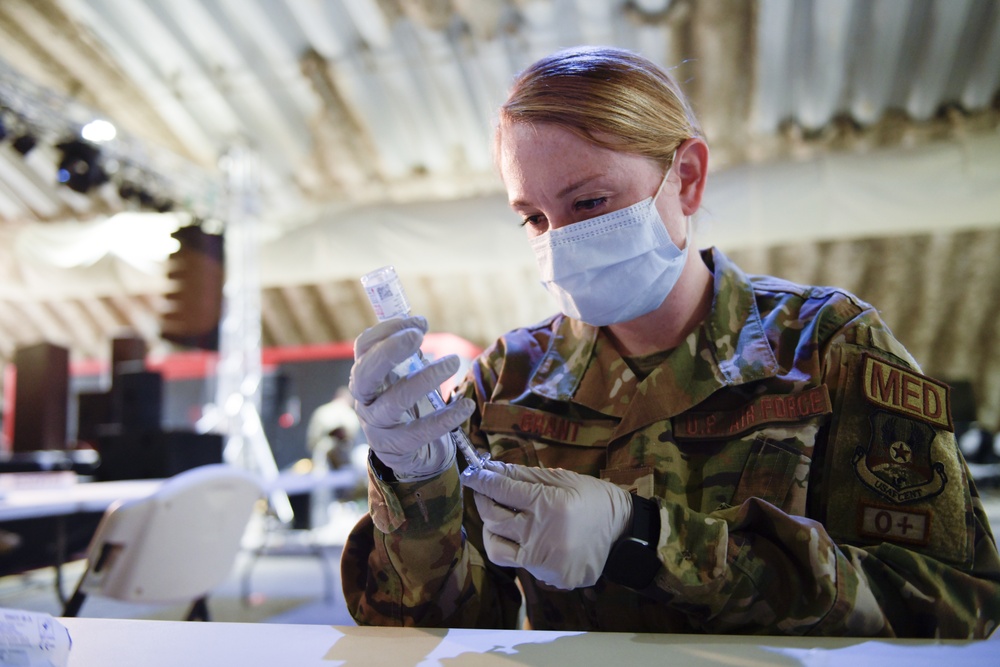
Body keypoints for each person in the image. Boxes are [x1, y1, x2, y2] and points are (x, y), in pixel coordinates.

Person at [341, 46, 1000, 637]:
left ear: (685, 176)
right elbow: (429, 628)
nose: (557, 241)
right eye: (534, 217)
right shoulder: (507, 380)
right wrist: (417, 484)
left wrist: (647, 540)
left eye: (590, 203)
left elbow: (954, 605)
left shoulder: (830, 350)